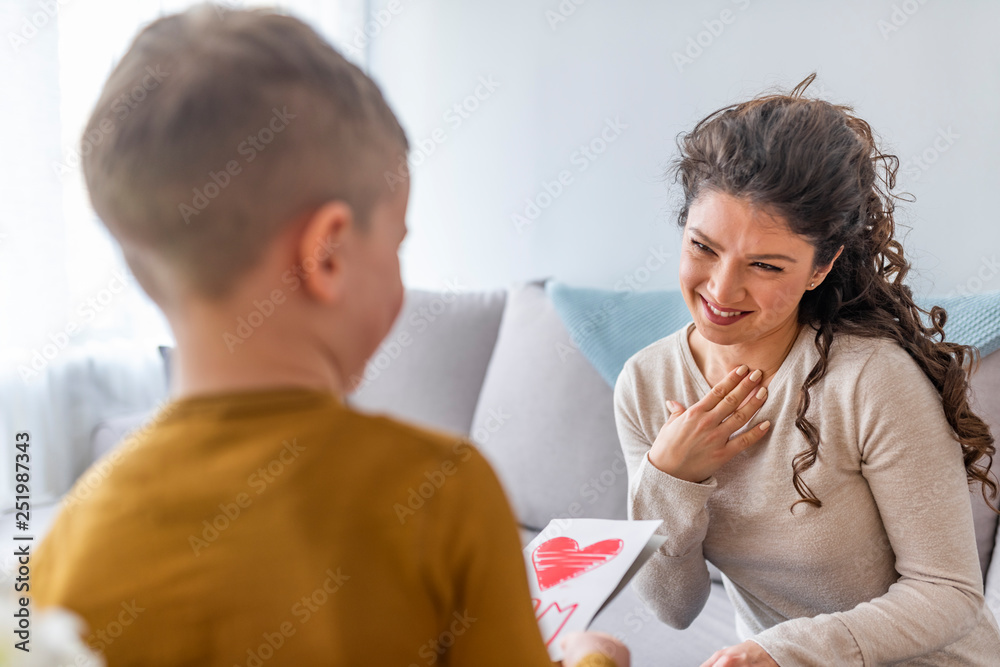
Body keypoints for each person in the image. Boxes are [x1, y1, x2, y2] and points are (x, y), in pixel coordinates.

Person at [33, 6, 629, 666]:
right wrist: (592, 658)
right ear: (329, 255)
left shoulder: (69, 545)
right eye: (397, 244)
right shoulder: (445, 496)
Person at [614, 73, 1000, 666]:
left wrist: (780, 652)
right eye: (702, 246)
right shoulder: (646, 385)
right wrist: (669, 477)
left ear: (820, 269)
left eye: (765, 265)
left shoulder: (870, 380)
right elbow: (674, 609)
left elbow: (949, 594)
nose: (721, 289)